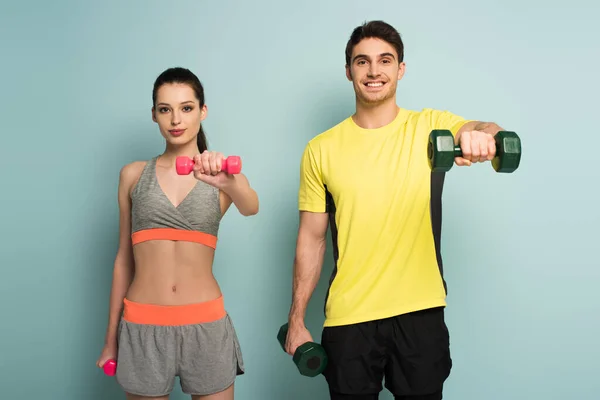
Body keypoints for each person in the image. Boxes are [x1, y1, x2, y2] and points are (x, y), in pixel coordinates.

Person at [284, 20, 507, 400]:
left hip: (420, 313)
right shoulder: (320, 149)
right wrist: (296, 320)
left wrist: (483, 138)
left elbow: (487, 126)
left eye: (385, 61)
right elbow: (312, 237)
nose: (374, 71)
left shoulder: (431, 128)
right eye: (362, 62)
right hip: (349, 318)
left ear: (400, 69)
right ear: (348, 71)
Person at [96, 67, 259, 400]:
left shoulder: (221, 173)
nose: (176, 119)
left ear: (203, 111)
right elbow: (123, 262)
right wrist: (111, 339)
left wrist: (227, 180)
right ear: (154, 115)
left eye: (186, 108)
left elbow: (251, 206)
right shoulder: (133, 175)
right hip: (143, 327)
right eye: (165, 109)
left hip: (206, 326)